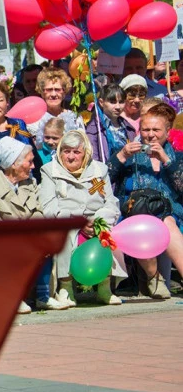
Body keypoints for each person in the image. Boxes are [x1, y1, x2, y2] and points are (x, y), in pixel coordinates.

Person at [40, 130, 126, 307]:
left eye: (76, 152)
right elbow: (49, 207)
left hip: (96, 221)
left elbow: (110, 202)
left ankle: (104, 287)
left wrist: (98, 220)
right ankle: (65, 287)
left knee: (107, 235)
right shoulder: (49, 171)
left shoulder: (99, 170)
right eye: (66, 151)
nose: (70, 157)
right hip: (67, 221)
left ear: (85, 152)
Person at [108, 103, 183, 299]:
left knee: (168, 222)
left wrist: (167, 160)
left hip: (170, 212)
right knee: (145, 219)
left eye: (156, 130)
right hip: (134, 211)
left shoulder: (177, 156)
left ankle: (162, 279)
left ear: (167, 131)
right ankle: (154, 277)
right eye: (145, 129)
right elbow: (103, 180)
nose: (150, 135)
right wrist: (122, 156)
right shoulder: (126, 151)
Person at [0, 137, 48, 314]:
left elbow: (38, 212)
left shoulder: (30, 182)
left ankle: (43, 294)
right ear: (14, 164)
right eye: (29, 162)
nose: (33, 166)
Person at [26, 67, 84, 149]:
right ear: (42, 92)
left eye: (57, 89)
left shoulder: (75, 119)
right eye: (49, 90)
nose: (53, 94)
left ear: (64, 92)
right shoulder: (34, 120)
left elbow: (83, 147)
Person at [86, 83, 136, 162]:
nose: (118, 107)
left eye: (121, 102)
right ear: (102, 102)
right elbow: (93, 160)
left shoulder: (128, 128)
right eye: (112, 102)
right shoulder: (94, 128)